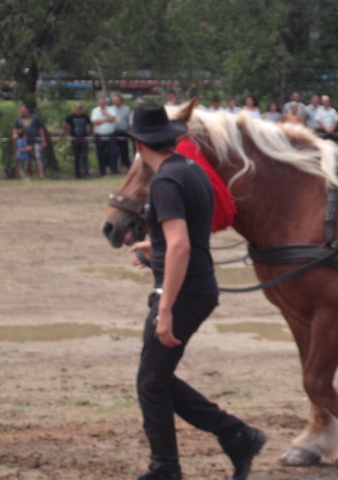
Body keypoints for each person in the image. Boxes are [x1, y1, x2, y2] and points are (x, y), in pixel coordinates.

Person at [127, 104, 266, 480]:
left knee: (151, 383)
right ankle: (235, 435)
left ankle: (167, 468)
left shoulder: (165, 182)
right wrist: (151, 250)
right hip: (197, 286)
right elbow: (184, 238)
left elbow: (181, 246)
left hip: (182, 292)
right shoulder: (191, 171)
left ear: (139, 144)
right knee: (155, 378)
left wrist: (166, 308)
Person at [12, 103, 47, 179]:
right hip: (25, 143)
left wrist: (43, 140)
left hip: (36, 141)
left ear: (27, 109)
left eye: (23, 108)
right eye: (21, 109)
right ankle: (30, 175)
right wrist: (15, 135)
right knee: (28, 159)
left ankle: (41, 175)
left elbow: (41, 129)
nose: (21, 110)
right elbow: (14, 130)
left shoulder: (35, 118)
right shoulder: (18, 120)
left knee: (39, 157)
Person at [63, 103, 93, 178]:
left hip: (83, 138)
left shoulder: (85, 116)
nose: (79, 110)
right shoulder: (71, 116)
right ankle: (77, 174)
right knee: (76, 157)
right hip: (75, 139)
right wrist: (70, 134)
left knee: (84, 156)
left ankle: (86, 173)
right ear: (75, 109)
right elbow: (64, 124)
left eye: (80, 109)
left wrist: (88, 133)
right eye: (77, 108)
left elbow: (91, 125)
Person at [91, 96, 118, 175]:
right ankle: (102, 171)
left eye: (103, 102)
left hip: (111, 135)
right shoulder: (95, 111)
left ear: (106, 103)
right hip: (99, 135)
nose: (102, 103)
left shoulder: (111, 109)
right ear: (98, 103)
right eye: (100, 102)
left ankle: (114, 170)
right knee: (101, 154)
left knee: (112, 153)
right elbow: (95, 122)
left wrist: (106, 114)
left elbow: (114, 119)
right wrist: (107, 119)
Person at [112, 94, 132, 170]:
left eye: (117, 100)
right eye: (114, 100)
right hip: (113, 132)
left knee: (124, 151)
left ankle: (128, 166)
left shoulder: (126, 109)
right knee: (113, 151)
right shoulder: (111, 109)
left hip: (123, 132)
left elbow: (129, 121)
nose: (115, 101)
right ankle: (114, 168)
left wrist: (130, 131)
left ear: (121, 101)